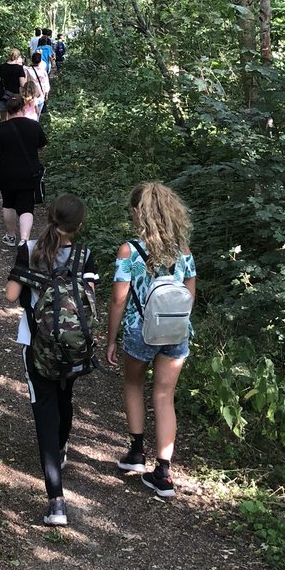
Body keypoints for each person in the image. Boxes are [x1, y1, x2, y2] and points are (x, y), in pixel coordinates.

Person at [6, 195, 99, 526]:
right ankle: (59, 451)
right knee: (65, 397)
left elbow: (11, 296)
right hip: (72, 347)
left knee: (44, 410)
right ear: (79, 226)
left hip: (35, 344)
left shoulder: (29, 249)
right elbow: (88, 301)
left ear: (49, 217)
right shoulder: (85, 256)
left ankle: (56, 501)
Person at [105, 181, 197, 499]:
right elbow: (189, 296)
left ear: (137, 213)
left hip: (139, 331)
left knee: (133, 386)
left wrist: (110, 339)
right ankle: (163, 472)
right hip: (176, 333)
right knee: (164, 397)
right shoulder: (184, 252)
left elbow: (119, 299)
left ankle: (135, 453)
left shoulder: (130, 250)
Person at [0, 94, 47, 246]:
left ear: (8, 110)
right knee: (26, 206)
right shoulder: (34, 126)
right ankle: (24, 240)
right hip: (29, 173)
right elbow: (41, 145)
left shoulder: (2, 128)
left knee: (8, 203)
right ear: (24, 108)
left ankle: (10, 236)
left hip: (6, 173)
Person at [0, 48, 26, 114]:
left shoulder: (2, 67)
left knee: (3, 118)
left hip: (2, 94)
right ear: (18, 57)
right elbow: (22, 84)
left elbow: (0, 78)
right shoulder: (19, 68)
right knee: (13, 116)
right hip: (14, 96)